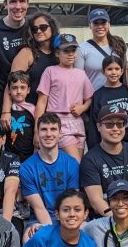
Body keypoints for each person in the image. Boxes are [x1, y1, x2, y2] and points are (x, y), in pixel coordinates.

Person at [80, 106, 128, 217]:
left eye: (120, 124)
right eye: (109, 124)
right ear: (98, 127)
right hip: (107, 217)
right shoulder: (90, 160)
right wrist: (120, 221)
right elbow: (96, 202)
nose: (115, 128)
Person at [35, 33, 93, 161]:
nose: (70, 54)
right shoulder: (50, 71)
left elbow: (89, 98)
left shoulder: (81, 74)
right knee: (76, 163)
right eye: (66, 51)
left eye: (73, 50)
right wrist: (36, 131)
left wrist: (83, 107)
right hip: (58, 120)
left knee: (77, 164)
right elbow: (41, 101)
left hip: (78, 122)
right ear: (57, 53)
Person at [20, 113, 81, 225]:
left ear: (60, 133)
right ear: (37, 133)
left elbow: (71, 202)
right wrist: (51, 232)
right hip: (39, 220)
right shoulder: (26, 168)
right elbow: (39, 209)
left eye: (53, 129)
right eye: (44, 129)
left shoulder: (72, 164)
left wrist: (64, 230)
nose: (48, 134)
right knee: (28, 238)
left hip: (69, 217)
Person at [86, 54, 128, 152]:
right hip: (107, 146)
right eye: (109, 69)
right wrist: (95, 151)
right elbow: (94, 126)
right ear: (103, 72)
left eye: (117, 69)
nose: (114, 72)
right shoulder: (98, 95)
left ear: (122, 71)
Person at [4, 11, 59, 114]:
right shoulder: (27, 53)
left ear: (52, 28)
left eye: (43, 27)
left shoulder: (60, 53)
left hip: (56, 112)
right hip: (28, 112)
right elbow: (11, 83)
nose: (38, 31)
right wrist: (6, 112)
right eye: (34, 29)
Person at [75, 8, 127, 89]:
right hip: (94, 98)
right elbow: (79, 80)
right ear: (90, 25)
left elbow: (125, 72)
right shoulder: (82, 49)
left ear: (109, 24)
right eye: (96, 23)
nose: (100, 26)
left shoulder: (118, 45)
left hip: (117, 97)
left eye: (103, 23)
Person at [4, 71, 36, 161]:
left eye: (22, 88)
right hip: (9, 156)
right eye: (14, 88)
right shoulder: (6, 112)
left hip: (29, 156)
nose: (19, 91)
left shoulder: (33, 110)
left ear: (28, 90)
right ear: (9, 90)